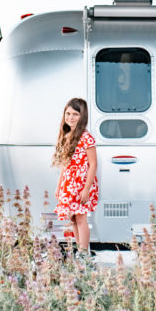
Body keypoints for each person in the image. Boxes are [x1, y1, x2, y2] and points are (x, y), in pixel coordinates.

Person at [52, 98, 99, 253]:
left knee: (81, 218)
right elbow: (65, 165)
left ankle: (84, 252)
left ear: (82, 116)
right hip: (69, 183)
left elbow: (93, 164)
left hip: (81, 184)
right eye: (68, 113)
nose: (70, 117)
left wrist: (86, 189)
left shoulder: (86, 137)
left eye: (75, 114)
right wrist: (59, 186)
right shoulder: (67, 136)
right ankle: (79, 250)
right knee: (72, 218)